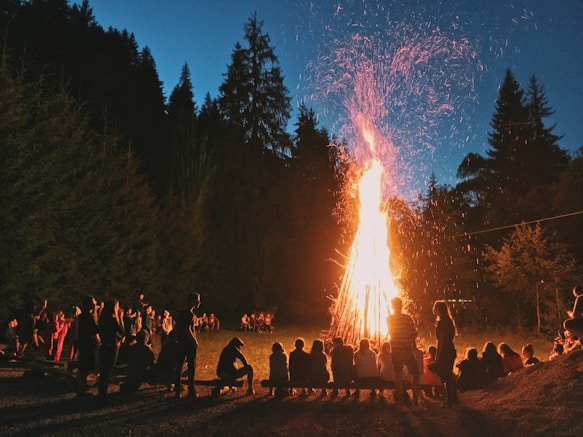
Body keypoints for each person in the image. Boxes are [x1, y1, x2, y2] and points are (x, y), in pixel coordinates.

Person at [387, 297, 421, 409]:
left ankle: (401, 403)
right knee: (416, 373)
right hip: (406, 349)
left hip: (395, 350)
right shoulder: (407, 319)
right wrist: (408, 340)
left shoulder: (389, 319)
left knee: (398, 375)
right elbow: (413, 334)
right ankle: (416, 402)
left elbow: (392, 333)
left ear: (393, 306)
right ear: (401, 305)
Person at [174, 292, 201, 399]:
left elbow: (177, 328)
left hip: (181, 342)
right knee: (191, 366)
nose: (199, 302)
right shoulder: (190, 315)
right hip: (188, 343)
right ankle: (191, 390)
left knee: (179, 366)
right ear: (193, 301)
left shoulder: (181, 313)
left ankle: (177, 391)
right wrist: (194, 341)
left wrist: (177, 338)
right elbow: (187, 329)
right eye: (198, 300)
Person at [432, 300, 458, 406]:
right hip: (450, 350)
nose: (433, 309)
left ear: (439, 309)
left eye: (435, 307)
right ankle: (453, 398)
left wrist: (438, 357)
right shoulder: (449, 321)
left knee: (447, 376)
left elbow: (441, 341)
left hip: (445, 351)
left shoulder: (442, 322)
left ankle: (451, 400)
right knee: (448, 375)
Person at [97, 299, 124, 401]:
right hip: (112, 346)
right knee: (108, 370)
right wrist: (119, 317)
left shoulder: (102, 319)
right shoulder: (113, 320)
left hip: (104, 345)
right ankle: (103, 396)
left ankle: (101, 393)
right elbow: (122, 330)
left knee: (104, 370)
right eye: (117, 307)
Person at [76, 295, 100, 396]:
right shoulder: (87, 317)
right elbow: (95, 329)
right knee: (84, 367)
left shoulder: (82, 316)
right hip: (87, 344)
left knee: (84, 367)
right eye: (94, 303)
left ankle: (81, 387)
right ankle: (81, 389)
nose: (95, 305)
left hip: (84, 344)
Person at [122, 329, 156, 394]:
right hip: (141, 372)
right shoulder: (147, 349)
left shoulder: (133, 347)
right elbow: (152, 363)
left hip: (131, 371)